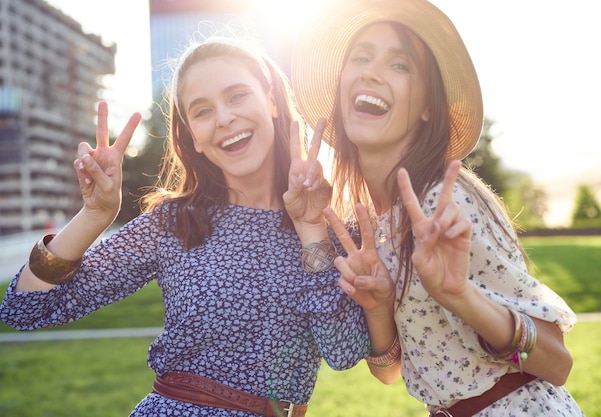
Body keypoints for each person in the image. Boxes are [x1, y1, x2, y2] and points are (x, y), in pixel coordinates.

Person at [0, 35, 396, 416]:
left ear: (272, 101)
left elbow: (344, 353)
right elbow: (25, 308)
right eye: (203, 110)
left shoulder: (334, 230)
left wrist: (310, 227)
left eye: (237, 96)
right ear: (195, 139)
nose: (224, 118)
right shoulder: (174, 223)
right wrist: (94, 216)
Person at [291, 0, 585, 416]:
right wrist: (378, 306)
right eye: (361, 56)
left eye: (400, 65)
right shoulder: (375, 221)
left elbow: (557, 363)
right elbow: (389, 371)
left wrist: (460, 296)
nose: (371, 71)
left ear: (428, 107)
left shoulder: (442, 203)